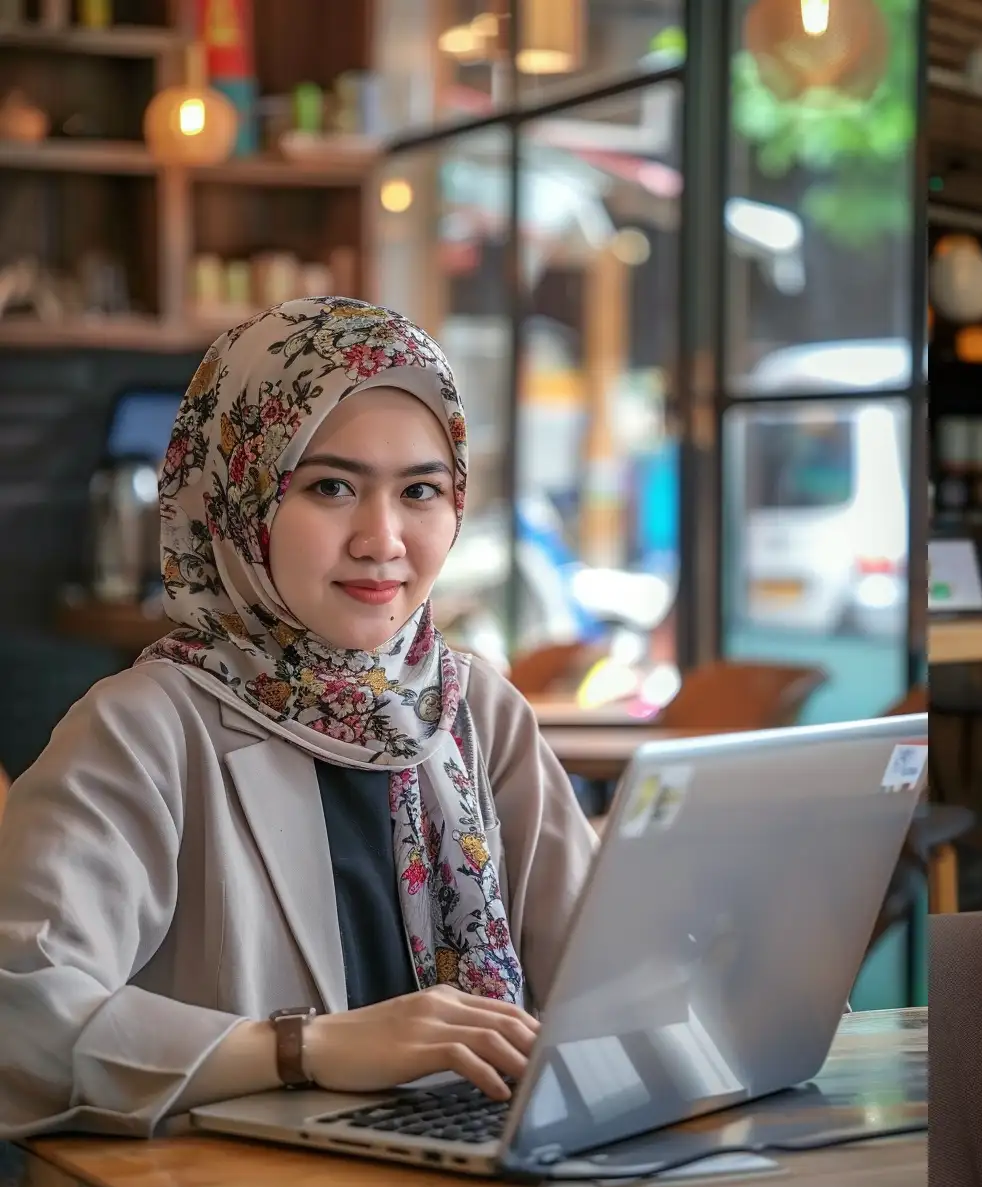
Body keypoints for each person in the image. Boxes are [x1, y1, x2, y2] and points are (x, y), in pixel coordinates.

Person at [0, 296, 596, 1138]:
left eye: (420, 490)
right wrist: (301, 1049)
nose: (382, 539)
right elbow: (20, 1021)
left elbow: (605, 986)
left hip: (487, 1184)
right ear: (238, 499)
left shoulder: (477, 712)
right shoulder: (142, 729)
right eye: (330, 487)